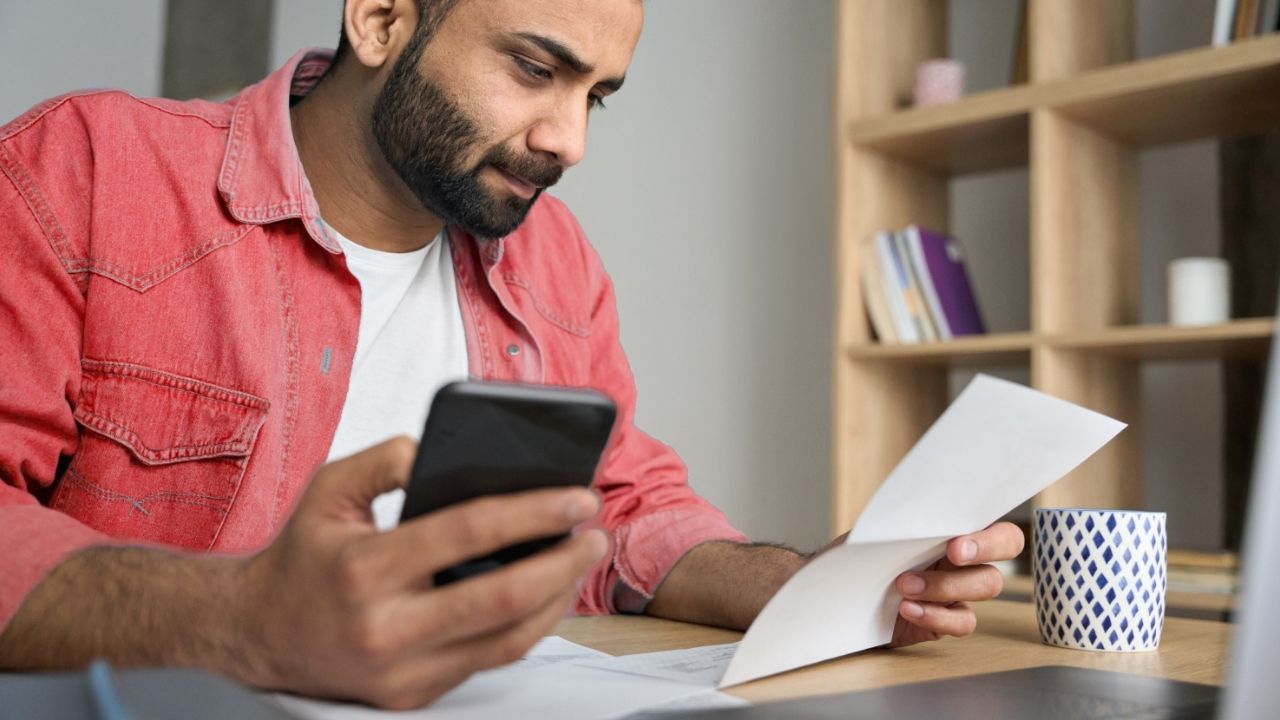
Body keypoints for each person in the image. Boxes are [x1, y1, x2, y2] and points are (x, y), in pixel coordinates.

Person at [0, 0, 1023, 710]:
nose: (569, 139)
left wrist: (803, 586)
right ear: (381, 19)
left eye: (597, 96)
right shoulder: (88, 168)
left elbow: (619, 502)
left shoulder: (553, 259)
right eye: (536, 69)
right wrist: (244, 620)